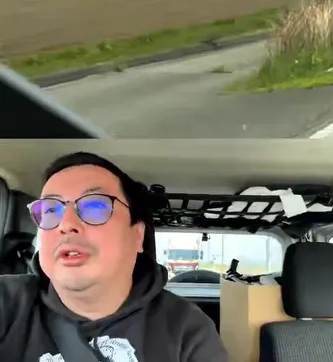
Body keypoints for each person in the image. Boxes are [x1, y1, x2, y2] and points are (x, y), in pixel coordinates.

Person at [0, 151, 228, 362]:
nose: (66, 224)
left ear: (137, 236)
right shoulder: (7, 303)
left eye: (94, 206)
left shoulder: (186, 329)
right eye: (50, 210)